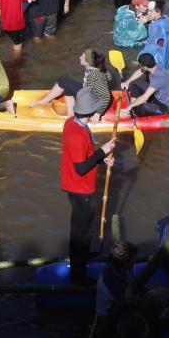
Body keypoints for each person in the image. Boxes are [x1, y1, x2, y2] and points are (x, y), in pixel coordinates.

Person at [60, 88, 116, 284]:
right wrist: (102, 151)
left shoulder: (70, 123)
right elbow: (82, 167)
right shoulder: (77, 135)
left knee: (81, 230)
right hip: (81, 190)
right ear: (91, 112)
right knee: (81, 234)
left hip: (73, 186)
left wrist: (101, 160)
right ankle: (79, 274)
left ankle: (82, 260)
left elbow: (83, 157)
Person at [32, 49, 113, 120]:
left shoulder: (94, 75)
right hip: (92, 96)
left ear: (88, 62)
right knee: (68, 87)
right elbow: (109, 78)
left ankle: (43, 102)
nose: (80, 57)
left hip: (94, 104)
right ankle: (71, 116)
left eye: (82, 57)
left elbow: (106, 96)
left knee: (64, 81)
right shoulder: (98, 69)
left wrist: (97, 114)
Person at [96, 240, 138, 317]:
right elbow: (127, 300)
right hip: (109, 317)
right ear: (126, 262)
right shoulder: (114, 280)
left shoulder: (120, 269)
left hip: (118, 308)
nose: (136, 260)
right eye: (134, 258)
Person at [139, 1, 169, 74]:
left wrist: (141, 24)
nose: (148, 13)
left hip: (158, 57)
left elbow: (150, 45)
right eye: (148, 11)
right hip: (168, 55)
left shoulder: (155, 26)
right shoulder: (166, 19)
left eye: (151, 11)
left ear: (158, 12)